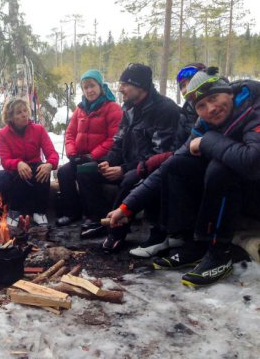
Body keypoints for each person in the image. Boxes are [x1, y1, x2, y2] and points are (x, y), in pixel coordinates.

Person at [108, 67, 260, 287]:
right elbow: (167, 167)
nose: (211, 109)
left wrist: (207, 141)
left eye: (214, 98)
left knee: (220, 169)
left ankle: (219, 253)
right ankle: (195, 245)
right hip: (241, 190)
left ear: (229, 92)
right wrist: (127, 207)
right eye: (201, 106)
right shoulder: (204, 125)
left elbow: (253, 162)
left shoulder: (253, 107)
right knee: (179, 164)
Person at [77, 63, 180, 250]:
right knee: (85, 171)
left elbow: (159, 154)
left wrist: (124, 169)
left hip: (151, 169)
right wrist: (109, 161)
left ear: (139, 85)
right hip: (127, 164)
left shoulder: (165, 109)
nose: (120, 89)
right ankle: (102, 219)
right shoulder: (130, 108)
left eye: (124, 84)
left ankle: (117, 233)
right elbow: (119, 140)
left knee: (128, 179)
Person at [126, 63, 206, 257]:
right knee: (162, 167)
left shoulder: (200, 109)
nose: (186, 89)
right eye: (182, 85)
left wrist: (160, 159)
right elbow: (180, 143)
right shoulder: (187, 111)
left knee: (164, 169)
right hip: (188, 160)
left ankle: (160, 234)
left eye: (190, 83)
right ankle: (172, 232)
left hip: (207, 163)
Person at [55, 69, 123, 227]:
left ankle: (94, 215)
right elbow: (70, 133)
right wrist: (72, 153)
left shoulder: (112, 108)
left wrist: (93, 155)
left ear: (100, 86)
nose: (89, 90)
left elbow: (114, 138)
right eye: (85, 87)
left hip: (104, 159)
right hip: (81, 156)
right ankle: (72, 212)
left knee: (84, 172)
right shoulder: (80, 109)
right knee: (64, 172)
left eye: (92, 86)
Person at [0, 98, 59, 226]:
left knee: (43, 170)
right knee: (15, 174)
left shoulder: (38, 130)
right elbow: (5, 160)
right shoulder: (3, 134)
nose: (24, 114)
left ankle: (40, 212)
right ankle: (14, 211)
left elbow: (52, 153)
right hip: (16, 170)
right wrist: (18, 163)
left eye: (25, 111)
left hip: (35, 166)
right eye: (19, 112)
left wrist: (49, 164)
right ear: (11, 117)